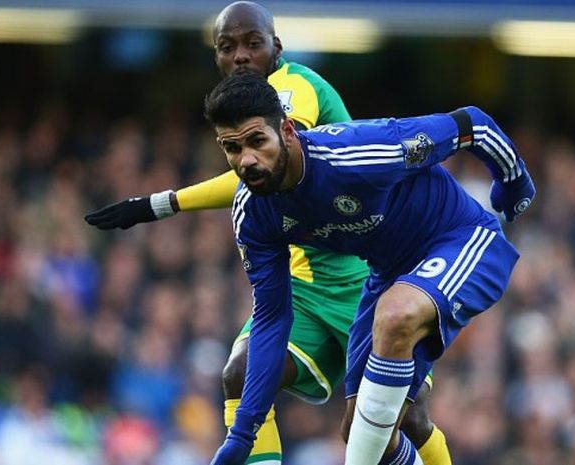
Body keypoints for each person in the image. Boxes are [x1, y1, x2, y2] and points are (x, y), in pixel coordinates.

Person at [85, 2, 451, 464]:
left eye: (252, 44)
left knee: (402, 421)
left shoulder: (292, 89)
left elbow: (265, 168)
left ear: (275, 47)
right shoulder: (239, 111)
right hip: (307, 288)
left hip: (369, 277)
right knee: (241, 372)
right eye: (227, 47)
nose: (240, 56)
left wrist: (162, 203)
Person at [201, 73, 535, 465]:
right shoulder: (254, 214)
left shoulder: (362, 153)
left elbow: (471, 124)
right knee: (363, 432)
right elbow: (272, 319)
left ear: (287, 131)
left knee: (395, 316)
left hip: (462, 239)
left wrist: (514, 182)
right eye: (232, 148)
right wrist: (242, 434)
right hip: (388, 274)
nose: (247, 160)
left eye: (257, 141)